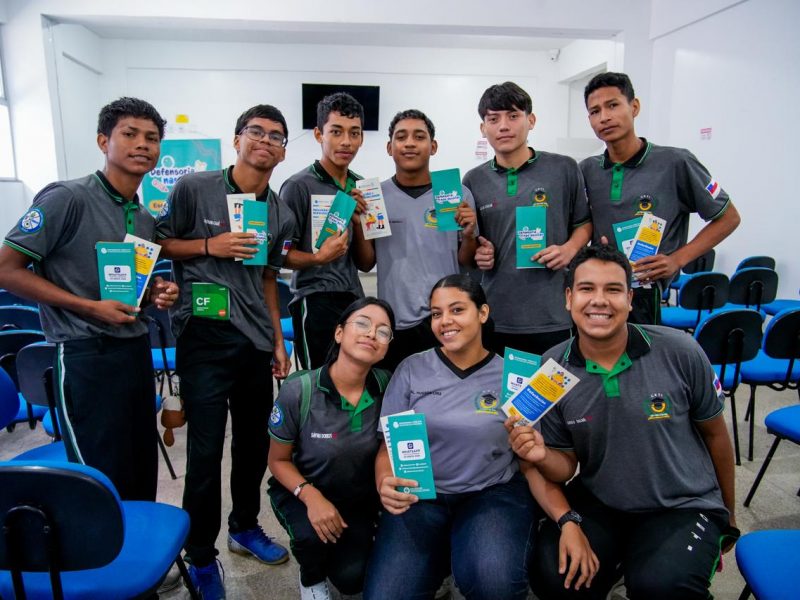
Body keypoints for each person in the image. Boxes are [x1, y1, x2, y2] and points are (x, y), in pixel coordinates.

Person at [509, 244, 739, 600]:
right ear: (568, 298)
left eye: (613, 289)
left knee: (661, 587)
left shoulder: (681, 351)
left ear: (630, 299)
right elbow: (564, 464)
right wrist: (540, 455)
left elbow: (716, 435)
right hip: (603, 501)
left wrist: (729, 516)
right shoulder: (551, 368)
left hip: (681, 503)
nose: (599, 300)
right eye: (587, 289)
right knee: (554, 579)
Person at [364, 274, 598, 600]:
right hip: (421, 496)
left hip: (492, 496)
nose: (445, 321)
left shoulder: (516, 377)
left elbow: (531, 463)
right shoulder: (410, 369)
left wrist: (566, 520)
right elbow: (388, 448)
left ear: (483, 313)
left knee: (495, 586)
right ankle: (443, 559)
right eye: (436, 313)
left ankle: (465, 555)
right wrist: (384, 482)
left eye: (457, 309)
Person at [0, 97, 178, 501]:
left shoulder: (144, 217)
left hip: (133, 351)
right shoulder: (67, 198)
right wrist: (88, 307)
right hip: (84, 357)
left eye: (151, 138)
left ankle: (139, 558)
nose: (142, 145)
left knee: (139, 468)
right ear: (103, 141)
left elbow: (125, 291)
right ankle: (104, 563)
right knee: (101, 476)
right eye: (129, 134)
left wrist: (154, 294)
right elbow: (6, 269)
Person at [156, 104, 294, 599]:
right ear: (237, 139)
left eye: (276, 136)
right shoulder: (194, 189)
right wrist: (210, 247)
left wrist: (278, 340)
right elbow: (160, 244)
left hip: (254, 341)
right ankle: (199, 554)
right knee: (207, 450)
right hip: (204, 337)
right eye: (255, 132)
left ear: (282, 151)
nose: (265, 141)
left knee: (254, 446)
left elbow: (268, 277)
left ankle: (243, 526)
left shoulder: (279, 210)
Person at [580, 72, 740, 324]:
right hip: (598, 291)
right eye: (595, 111)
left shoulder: (676, 162)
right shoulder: (587, 169)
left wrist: (677, 259)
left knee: (642, 361)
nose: (604, 117)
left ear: (634, 107)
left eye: (613, 105)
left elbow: (729, 217)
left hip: (645, 292)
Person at [268, 297, 394, 600]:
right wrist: (312, 498)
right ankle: (310, 577)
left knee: (353, 580)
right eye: (362, 323)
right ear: (339, 333)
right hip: (301, 490)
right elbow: (278, 461)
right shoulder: (299, 389)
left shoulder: (387, 385)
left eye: (383, 331)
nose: (371, 334)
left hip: (356, 498)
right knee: (311, 539)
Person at [463, 82, 592, 357]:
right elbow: (473, 244)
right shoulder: (473, 180)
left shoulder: (563, 168)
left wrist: (569, 250)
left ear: (530, 120)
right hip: (496, 314)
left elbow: (583, 223)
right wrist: (480, 253)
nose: (503, 126)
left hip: (554, 312)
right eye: (493, 119)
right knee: (502, 397)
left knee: (553, 396)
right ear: (483, 128)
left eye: (513, 116)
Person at [358, 109, 479, 371]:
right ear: (390, 147)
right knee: (400, 402)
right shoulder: (375, 197)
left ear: (433, 146)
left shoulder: (457, 194)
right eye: (401, 137)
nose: (410, 143)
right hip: (396, 321)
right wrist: (357, 223)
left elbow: (466, 262)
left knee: (444, 400)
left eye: (419, 136)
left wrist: (470, 236)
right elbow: (366, 263)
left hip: (446, 319)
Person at [281, 92, 373, 370]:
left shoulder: (364, 187)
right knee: (318, 383)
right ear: (319, 134)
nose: (346, 141)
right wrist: (318, 259)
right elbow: (281, 255)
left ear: (362, 138)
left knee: (353, 379)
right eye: (336, 132)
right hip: (313, 299)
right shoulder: (298, 186)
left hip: (353, 299)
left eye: (354, 133)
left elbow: (367, 263)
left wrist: (357, 223)